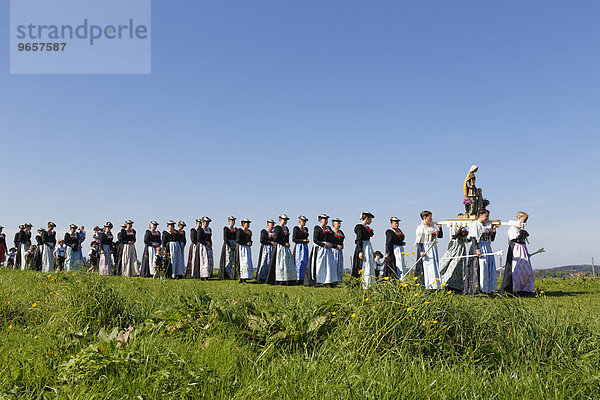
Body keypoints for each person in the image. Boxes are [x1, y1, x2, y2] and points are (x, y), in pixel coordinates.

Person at [500, 211, 535, 295]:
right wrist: (522, 231)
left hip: (522, 248)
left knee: (525, 270)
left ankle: (524, 288)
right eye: (524, 220)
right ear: (519, 218)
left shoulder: (519, 227)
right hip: (515, 248)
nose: (525, 222)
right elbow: (515, 238)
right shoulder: (512, 228)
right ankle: (515, 288)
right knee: (516, 269)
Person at [465, 209, 497, 294]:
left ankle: (487, 288)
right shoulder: (475, 224)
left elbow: (492, 239)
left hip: (487, 246)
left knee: (487, 266)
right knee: (480, 266)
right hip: (479, 246)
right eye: (486, 216)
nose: (487, 218)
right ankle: (477, 288)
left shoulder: (487, 225)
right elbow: (473, 237)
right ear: (480, 215)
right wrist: (477, 249)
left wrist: (494, 231)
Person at [439, 214, 469, 292]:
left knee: (460, 265)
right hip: (454, 246)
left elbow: (467, 240)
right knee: (451, 263)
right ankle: (445, 281)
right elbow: (454, 236)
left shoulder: (464, 228)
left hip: (461, 246)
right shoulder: (453, 226)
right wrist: (460, 229)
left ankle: (457, 284)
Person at [305, 214, 337, 287]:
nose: (326, 221)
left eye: (326, 219)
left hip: (328, 249)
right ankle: (319, 280)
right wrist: (324, 245)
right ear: (320, 220)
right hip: (320, 249)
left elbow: (332, 238)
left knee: (329, 264)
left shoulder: (328, 229)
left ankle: (329, 280)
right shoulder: (317, 228)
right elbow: (315, 240)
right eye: (324, 219)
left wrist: (331, 244)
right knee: (320, 265)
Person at [415, 211, 443, 289]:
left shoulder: (432, 227)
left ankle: (434, 285)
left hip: (433, 247)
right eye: (430, 218)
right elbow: (419, 241)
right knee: (426, 266)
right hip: (425, 247)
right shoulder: (420, 228)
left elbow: (440, 236)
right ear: (424, 218)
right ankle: (426, 285)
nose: (431, 219)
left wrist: (440, 228)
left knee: (434, 265)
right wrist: (421, 251)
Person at [267, 214, 296, 285]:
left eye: (286, 220)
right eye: (284, 219)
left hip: (286, 248)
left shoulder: (286, 228)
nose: (285, 221)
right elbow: (276, 239)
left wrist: (288, 243)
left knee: (287, 263)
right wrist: (284, 243)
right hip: (279, 247)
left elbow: (287, 238)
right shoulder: (278, 228)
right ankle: (279, 280)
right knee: (280, 264)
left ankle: (287, 279)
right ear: (280, 220)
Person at [351, 212, 376, 289]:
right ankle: (362, 283)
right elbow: (359, 239)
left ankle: (370, 282)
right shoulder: (359, 227)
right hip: (362, 246)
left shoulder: (367, 228)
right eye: (370, 219)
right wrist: (360, 251)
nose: (371, 221)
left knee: (369, 263)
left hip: (368, 246)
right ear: (367, 218)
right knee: (363, 264)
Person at [292, 216, 310, 284]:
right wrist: (302, 240)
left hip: (305, 247)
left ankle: (304, 278)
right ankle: (297, 278)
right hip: (299, 247)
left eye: (305, 221)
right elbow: (294, 239)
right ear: (299, 221)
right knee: (299, 262)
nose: (304, 222)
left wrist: (306, 241)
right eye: (303, 221)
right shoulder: (296, 228)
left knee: (305, 262)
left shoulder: (306, 229)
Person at [331, 218, 345, 284]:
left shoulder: (341, 232)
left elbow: (342, 241)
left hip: (339, 251)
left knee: (339, 264)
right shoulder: (331, 232)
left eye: (340, 223)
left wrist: (341, 246)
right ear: (333, 224)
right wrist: (336, 246)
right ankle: (333, 279)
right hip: (333, 250)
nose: (339, 225)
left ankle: (339, 279)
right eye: (337, 223)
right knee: (334, 264)